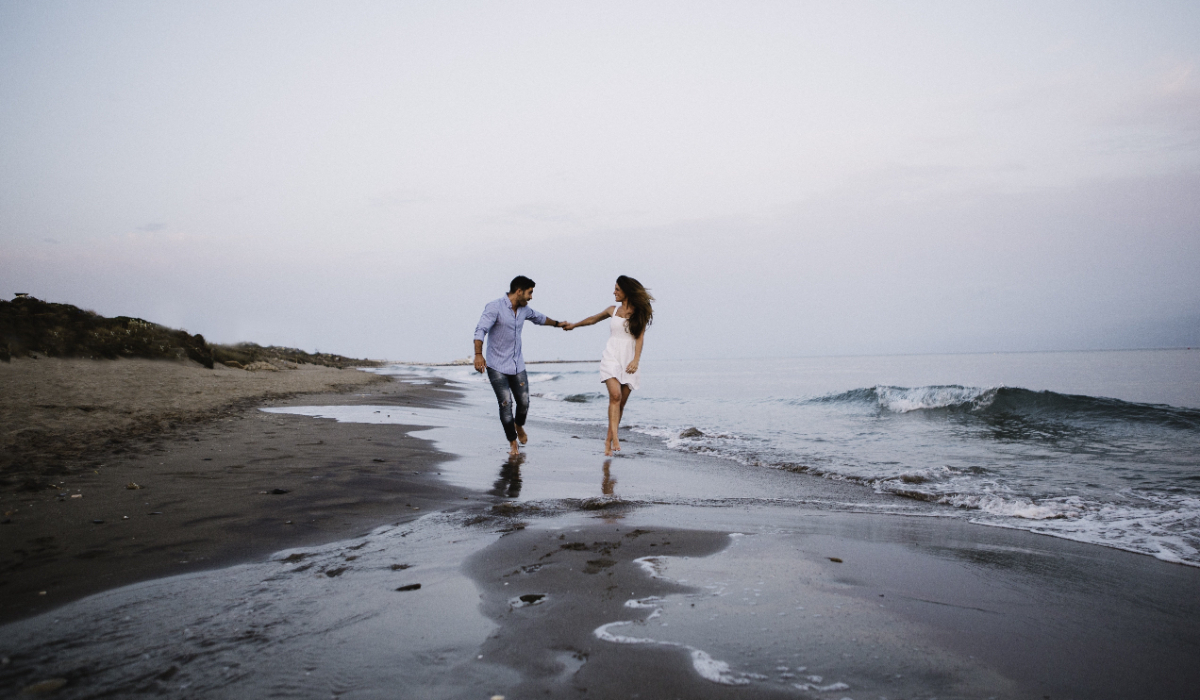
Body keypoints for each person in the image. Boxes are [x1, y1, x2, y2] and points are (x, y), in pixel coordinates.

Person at [474, 276, 567, 455]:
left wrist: (558, 324)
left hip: (517, 365)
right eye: (529, 293)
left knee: (524, 402)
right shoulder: (494, 307)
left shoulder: (524, 309)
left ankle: (519, 425)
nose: (531, 297)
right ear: (519, 292)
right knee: (505, 403)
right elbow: (481, 329)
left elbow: (540, 318)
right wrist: (478, 354)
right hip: (496, 365)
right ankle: (513, 442)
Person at [562, 275, 654, 456]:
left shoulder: (639, 313)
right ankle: (616, 438)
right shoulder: (612, 310)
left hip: (629, 360)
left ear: (626, 291)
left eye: (617, 289)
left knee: (620, 404)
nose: (614, 292)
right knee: (615, 395)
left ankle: (608, 440)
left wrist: (636, 360)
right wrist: (574, 325)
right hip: (611, 357)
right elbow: (593, 319)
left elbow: (640, 338)